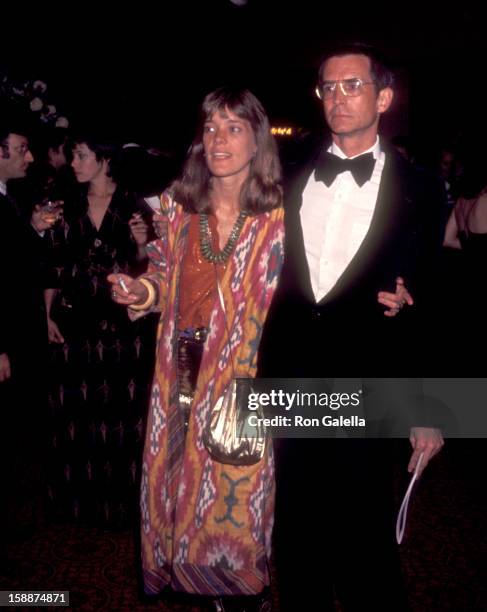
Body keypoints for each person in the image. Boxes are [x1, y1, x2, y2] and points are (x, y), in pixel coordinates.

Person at [258, 43, 445, 611]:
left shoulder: (422, 188)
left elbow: (432, 304)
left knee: (364, 539)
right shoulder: (285, 175)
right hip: (288, 377)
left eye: (353, 85)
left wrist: (430, 409)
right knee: (294, 534)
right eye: (329, 87)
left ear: (383, 97)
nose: (338, 98)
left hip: (368, 382)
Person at [108, 87, 284, 611]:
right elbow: (164, 278)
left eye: (233, 127)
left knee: (238, 498)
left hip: (244, 382)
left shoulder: (280, 220)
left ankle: (235, 594)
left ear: (257, 141)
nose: (218, 139)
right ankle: (190, 589)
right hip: (180, 371)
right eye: (210, 128)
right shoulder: (179, 210)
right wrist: (141, 290)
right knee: (177, 487)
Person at [44, 131, 157, 528]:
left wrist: (143, 246)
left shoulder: (133, 205)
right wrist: (47, 315)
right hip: (73, 326)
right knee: (73, 415)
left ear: (104, 159)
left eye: (81, 155)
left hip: (121, 331)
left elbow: (149, 272)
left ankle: (122, 508)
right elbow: (51, 265)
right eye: (73, 155)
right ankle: (76, 507)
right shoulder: (64, 204)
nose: (73, 163)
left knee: (122, 417)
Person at [0, 114, 57, 566]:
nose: (30, 156)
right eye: (21, 149)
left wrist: (33, 229)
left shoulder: (7, 198)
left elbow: (12, 264)